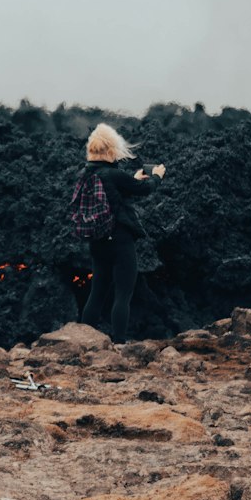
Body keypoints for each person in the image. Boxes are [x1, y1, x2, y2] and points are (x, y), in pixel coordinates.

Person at [79, 122, 165, 343]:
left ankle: (81, 341)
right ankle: (118, 344)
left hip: (97, 241)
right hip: (120, 241)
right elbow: (145, 190)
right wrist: (156, 176)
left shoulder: (85, 175)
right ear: (111, 150)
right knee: (122, 295)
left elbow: (114, 194)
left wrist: (132, 180)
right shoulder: (115, 175)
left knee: (96, 294)